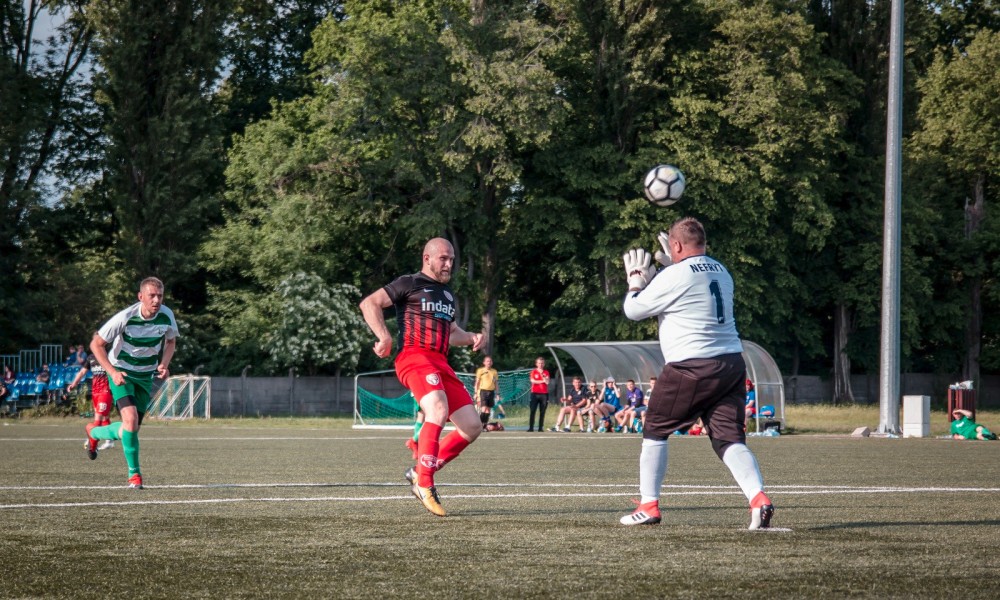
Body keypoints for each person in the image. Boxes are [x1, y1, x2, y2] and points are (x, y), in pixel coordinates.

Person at [619, 217, 774, 529]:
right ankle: (758, 499)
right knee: (729, 438)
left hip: (691, 365)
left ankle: (649, 505)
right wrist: (671, 268)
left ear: (675, 245)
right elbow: (691, 288)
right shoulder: (722, 271)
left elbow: (633, 310)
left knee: (655, 429)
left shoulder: (675, 275)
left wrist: (636, 281)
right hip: (731, 364)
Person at [359, 237, 486, 517]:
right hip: (414, 357)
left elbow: (452, 333)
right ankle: (425, 484)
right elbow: (370, 303)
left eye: (451, 259)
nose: (449, 264)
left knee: (472, 425)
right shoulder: (410, 282)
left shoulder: (447, 295)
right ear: (427, 258)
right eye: (443, 258)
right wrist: (384, 337)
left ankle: (420, 471)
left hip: (440, 362)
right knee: (437, 409)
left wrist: (472, 337)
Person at [84, 277, 179, 489]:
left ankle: (94, 432)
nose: (156, 300)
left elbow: (171, 341)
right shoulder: (125, 317)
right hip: (123, 374)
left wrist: (164, 364)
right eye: (152, 296)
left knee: (131, 429)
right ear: (140, 296)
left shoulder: (167, 315)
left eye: (160, 296)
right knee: (131, 420)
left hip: (146, 377)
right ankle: (134, 475)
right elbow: (96, 344)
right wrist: (112, 372)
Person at [69, 353, 116, 452]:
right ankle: (109, 441)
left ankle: (92, 439)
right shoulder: (91, 357)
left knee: (98, 418)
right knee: (105, 416)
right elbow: (82, 372)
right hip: (95, 392)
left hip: (105, 391)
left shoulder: (109, 356)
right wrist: (74, 383)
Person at [474, 356, 499, 431]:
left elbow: (496, 383)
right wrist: (476, 393)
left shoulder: (494, 371)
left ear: (492, 363)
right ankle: (479, 426)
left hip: (491, 392)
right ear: (484, 362)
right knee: (483, 409)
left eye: (490, 361)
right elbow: (477, 382)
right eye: (487, 361)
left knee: (488, 410)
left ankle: (484, 426)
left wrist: (498, 394)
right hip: (483, 391)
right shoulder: (480, 370)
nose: (489, 362)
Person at [527, 357, 550, 432]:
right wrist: (542, 381)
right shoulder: (533, 372)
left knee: (542, 411)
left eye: (542, 363)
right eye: (539, 363)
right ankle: (531, 427)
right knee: (533, 410)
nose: (541, 364)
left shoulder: (546, 372)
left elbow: (547, 382)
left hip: (544, 394)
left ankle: (540, 428)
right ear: (536, 364)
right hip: (535, 394)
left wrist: (544, 378)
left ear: (544, 364)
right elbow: (533, 381)